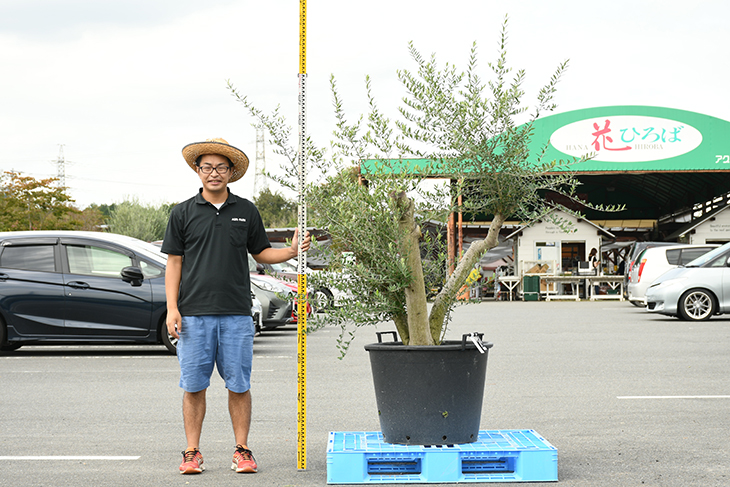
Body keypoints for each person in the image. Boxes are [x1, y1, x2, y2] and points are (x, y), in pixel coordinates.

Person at [161, 137, 311, 475]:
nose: (214, 173)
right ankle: (192, 452)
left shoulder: (246, 211)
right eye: (207, 167)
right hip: (194, 315)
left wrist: (290, 252)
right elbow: (174, 263)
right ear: (198, 171)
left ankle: (242, 450)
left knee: (239, 385)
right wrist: (172, 308)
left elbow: (262, 253)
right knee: (194, 385)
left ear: (231, 172)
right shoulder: (182, 213)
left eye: (221, 167)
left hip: (236, 315)